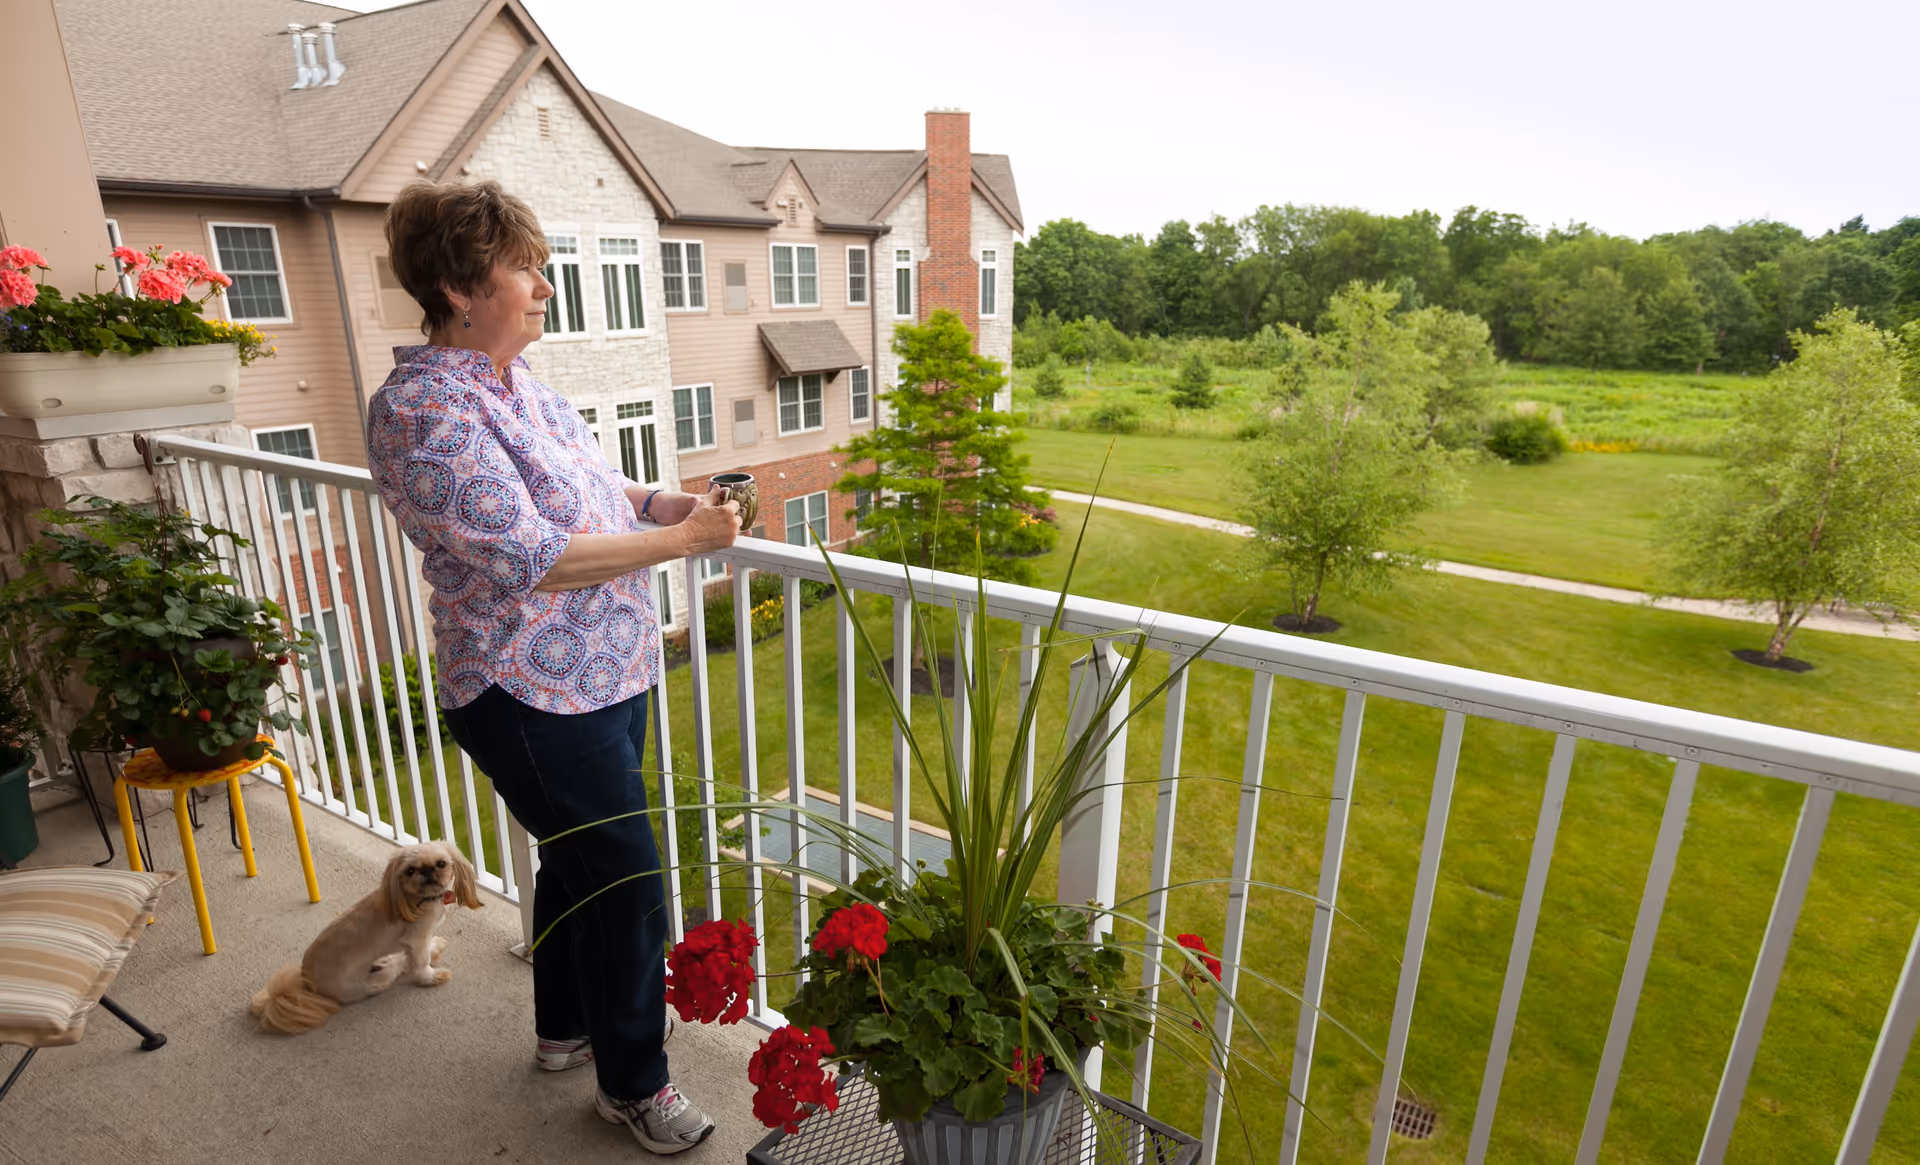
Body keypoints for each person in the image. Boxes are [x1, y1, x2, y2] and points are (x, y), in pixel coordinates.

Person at [366, 179, 737, 1155]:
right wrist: (683, 543)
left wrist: (662, 502)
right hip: (525, 690)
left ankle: (564, 1030)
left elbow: (588, 483)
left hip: (606, 671)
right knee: (626, 879)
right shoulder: (421, 411)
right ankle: (635, 1083)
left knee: (579, 864)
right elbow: (531, 556)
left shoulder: (521, 382)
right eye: (522, 266)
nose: (544, 283)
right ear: (455, 285)